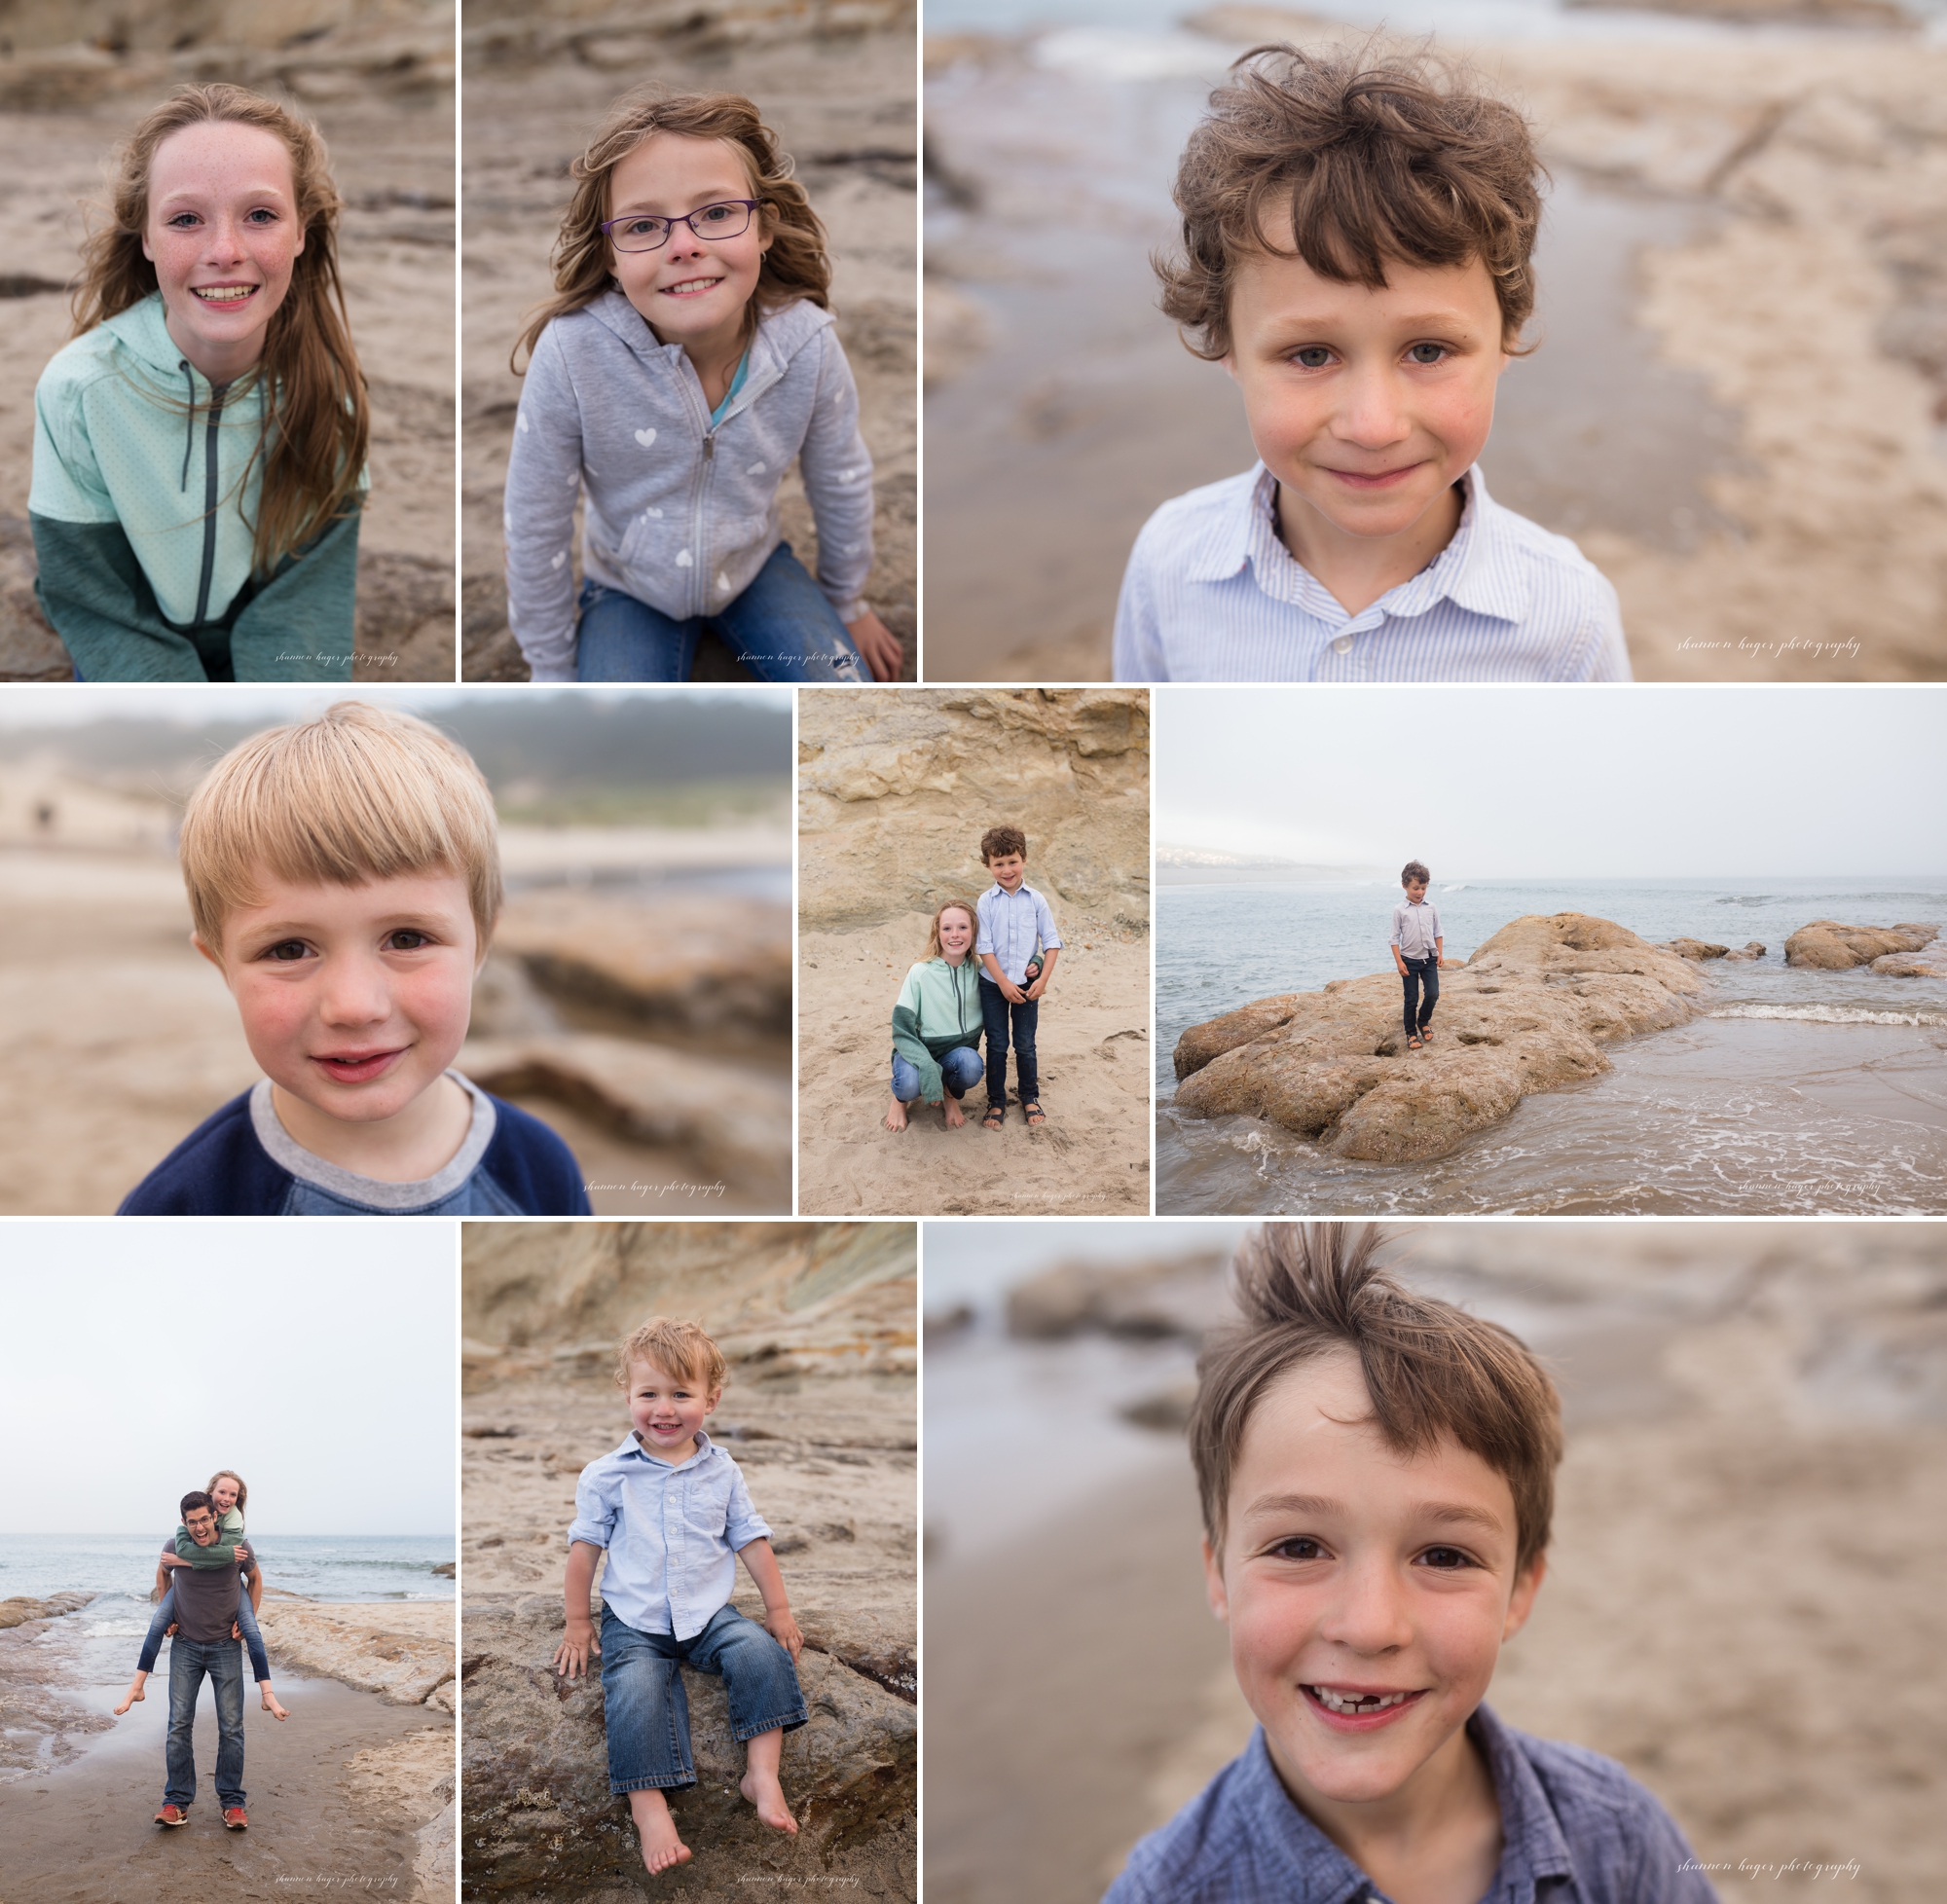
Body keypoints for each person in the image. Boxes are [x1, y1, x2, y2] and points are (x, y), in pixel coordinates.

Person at [1102, 1225, 1716, 1904]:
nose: (1369, 1627)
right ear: (1218, 1574)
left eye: (1444, 1555)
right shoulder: (1164, 1894)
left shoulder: (1618, 1839)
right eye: (1300, 1547)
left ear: (1520, 1590)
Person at [1112, 45, 1632, 684]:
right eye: (1310, 355)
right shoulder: (1168, 564)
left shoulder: (1568, 620)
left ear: (1507, 335)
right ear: (1227, 346)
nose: (1374, 426)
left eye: (1428, 350)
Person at [118, 701, 591, 1215]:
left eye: (407, 940)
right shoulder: (185, 1208)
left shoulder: (542, 1168)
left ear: (482, 945)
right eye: (290, 950)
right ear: (220, 965)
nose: (354, 1006)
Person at [503, 87, 900, 684]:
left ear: (764, 226)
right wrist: (551, 668)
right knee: (618, 726)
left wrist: (848, 603)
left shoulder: (808, 345)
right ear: (611, 254)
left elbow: (841, 480)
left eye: (716, 213)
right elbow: (535, 522)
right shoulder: (573, 354)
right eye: (642, 225)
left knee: (844, 686)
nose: (685, 245)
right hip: (628, 588)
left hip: (756, 570)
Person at [30, 83, 367, 682]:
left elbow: (305, 614)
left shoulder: (327, 392)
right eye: (186, 219)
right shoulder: (80, 391)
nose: (225, 250)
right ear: (148, 239)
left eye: (260, 215)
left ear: (300, 231)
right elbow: (95, 601)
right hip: (135, 658)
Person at [554, 1317, 808, 1879]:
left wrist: (779, 1611)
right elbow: (584, 1551)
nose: (663, 1409)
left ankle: (762, 1774)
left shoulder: (722, 1470)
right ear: (627, 1396)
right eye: (649, 1394)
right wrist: (577, 1623)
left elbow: (751, 1540)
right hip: (634, 1618)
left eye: (680, 1394)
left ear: (710, 1400)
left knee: (760, 1654)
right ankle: (650, 1811)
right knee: (635, 1689)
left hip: (709, 1611)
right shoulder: (607, 1475)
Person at [116, 1468, 288, 1722]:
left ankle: (267, 1692)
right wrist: (171, 1607)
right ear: (211, 1493)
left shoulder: (235, 1528)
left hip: (231, 1596)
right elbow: (172, 1568)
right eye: (222, 1492)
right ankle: (136, 1686)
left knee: (251, 1630)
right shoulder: (187, 1529)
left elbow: (227, 1564)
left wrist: (183, 1561)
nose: (227, 1498)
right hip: (187, 1634)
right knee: (156, 1625)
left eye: (233, 1494)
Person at [149, 1490, 257, 1830]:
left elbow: (254, 1579)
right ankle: (177, 1801)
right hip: (185, 1646)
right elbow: (163, 1573)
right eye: (192, 1522)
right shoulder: (174, 1545)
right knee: (178, 1724)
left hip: (226, 1646)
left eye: (204, 1520)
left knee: (232, 1727)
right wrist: (167, 1612)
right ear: (184, 1523)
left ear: (215, 1517)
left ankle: (233, 1803)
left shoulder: (238, 1547)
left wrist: (247, 1619)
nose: (199, 1527)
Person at [974, 826, 1062, 1129]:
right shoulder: (986, 901)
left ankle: (1029, 1096)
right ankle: (996, 1101)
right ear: (988, 866)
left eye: (1012, 861)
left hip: (1028, 988)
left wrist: (1043, 980)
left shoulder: (1036, 900)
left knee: (1025, 1043)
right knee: (997, 1043)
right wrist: (1002, 982)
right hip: (993, 983)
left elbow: (1051, 942)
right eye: (998, 864)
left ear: (1023, 859)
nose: (1007, 869)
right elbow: (983, 947)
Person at [885, 900, 987, 1132]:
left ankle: (950, 1095)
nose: (955, 935)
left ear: (973, 931)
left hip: (957, 1053)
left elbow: (1013, 969)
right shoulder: (920, 972)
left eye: (963, 927)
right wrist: (927, 1066)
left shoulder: (980, 970)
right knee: (909, 1085)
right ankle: (899, 1101)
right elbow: (901, 1032)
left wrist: (1036, 962)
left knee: (972, 1067)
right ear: (937, 933)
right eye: (947, 928)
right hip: (918, 1051)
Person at [1389, 858, 1452, 1051]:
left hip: (1429, 959)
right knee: (1411, 998)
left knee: (1433, 993)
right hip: (1409, 961)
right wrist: (1399, 962)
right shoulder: (1399, 910)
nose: (1420, 892)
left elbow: (1438, 932)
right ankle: (1410, 1032)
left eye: (1424, 888)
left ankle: (1423, 1020)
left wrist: (1439, 954)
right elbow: (1394, 938)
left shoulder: (1431, 907)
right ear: (1405, 886)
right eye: (1416, 888)